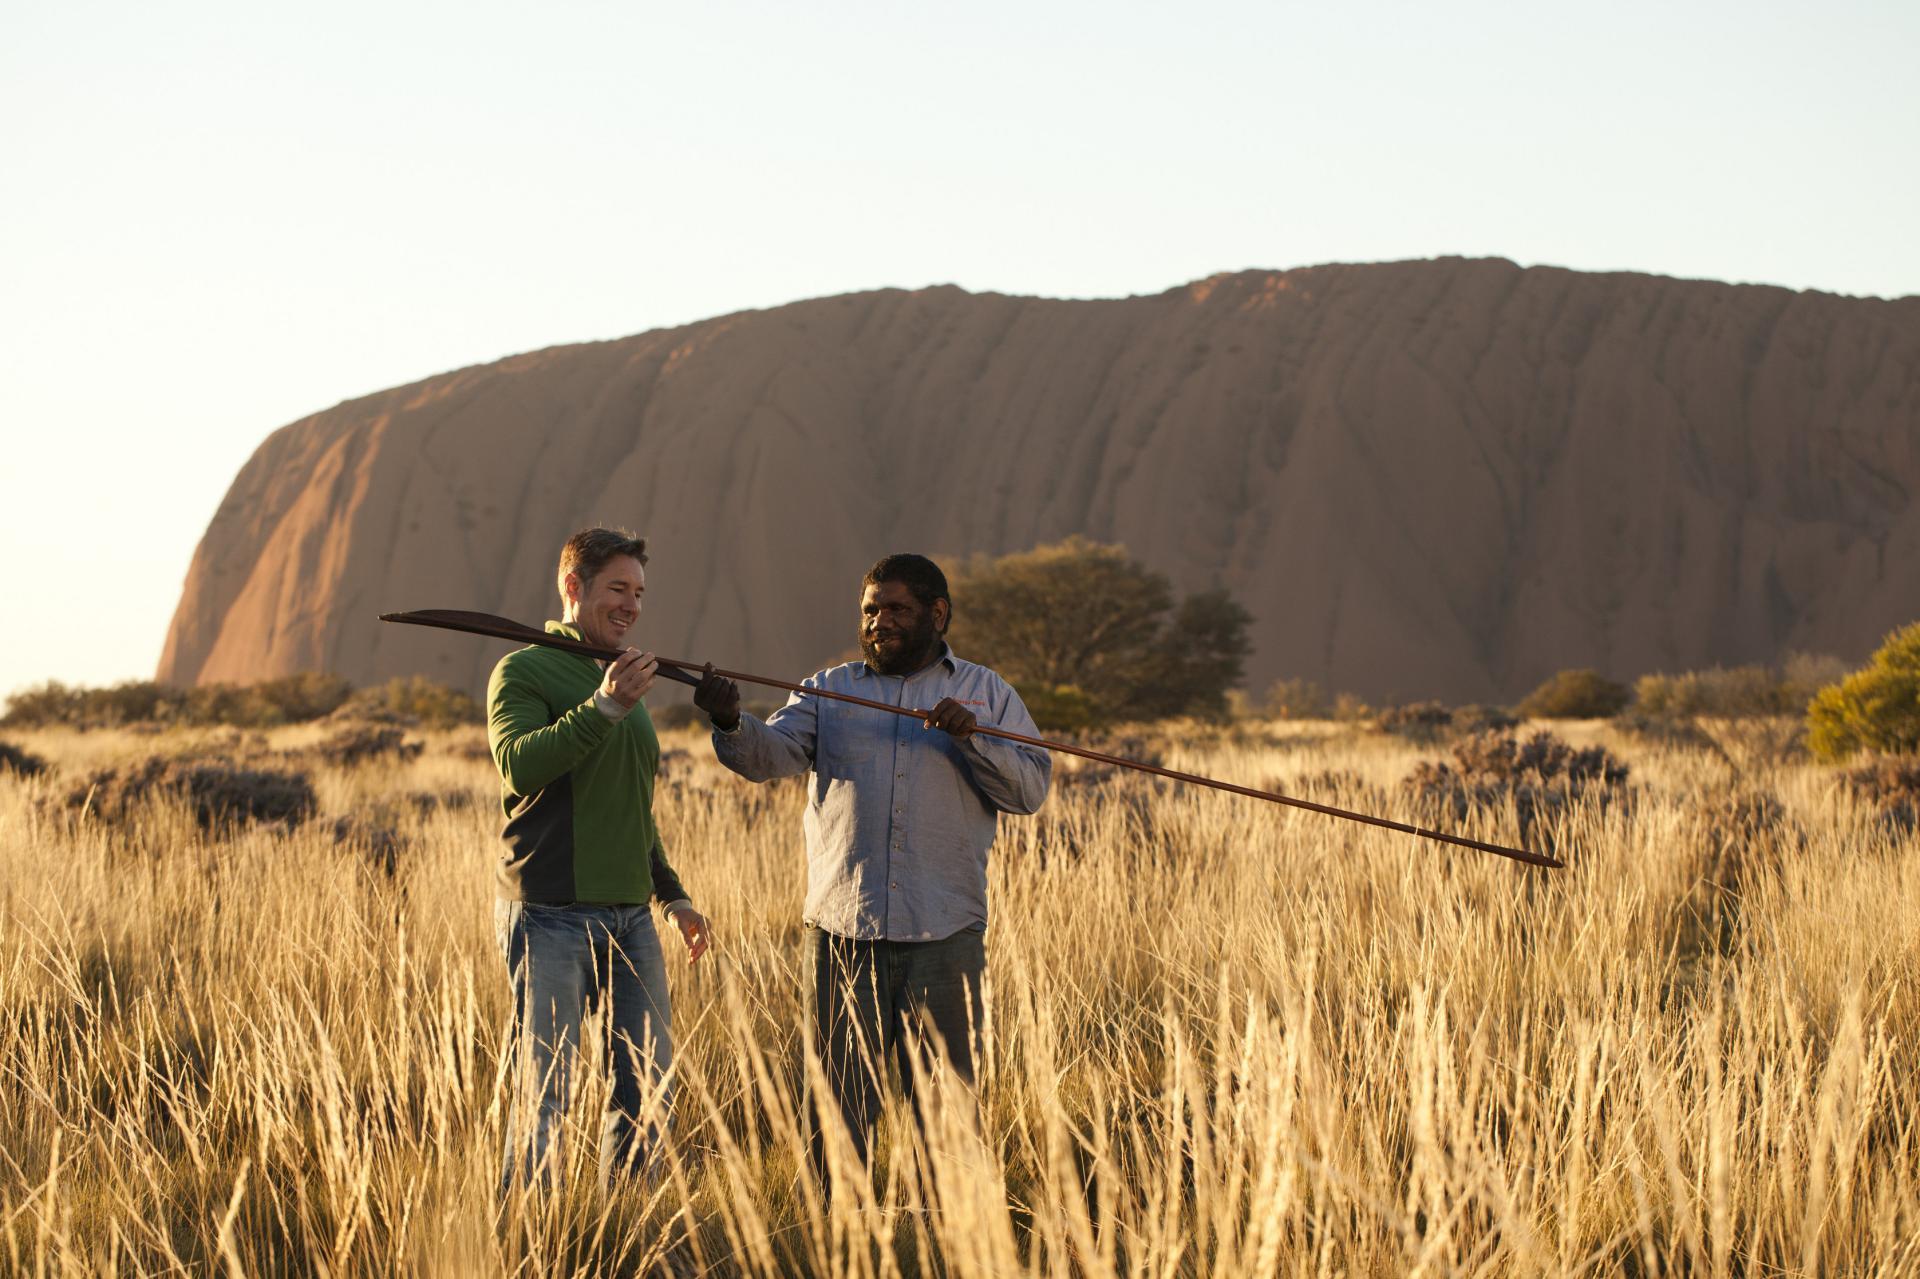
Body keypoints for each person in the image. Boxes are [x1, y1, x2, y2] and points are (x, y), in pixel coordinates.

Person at [692, 553, 1050, 1177]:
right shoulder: (828, 690)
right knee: (834, 1114)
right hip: (841, 938)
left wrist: (975, 739)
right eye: (870, 610)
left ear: (938, 615)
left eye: (896, 609)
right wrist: (729, 720)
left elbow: (1028, 793)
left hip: (945, 936)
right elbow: (767, 758)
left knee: (945, 1116)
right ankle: (836, 1241)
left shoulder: (989, 694)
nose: (879, 621)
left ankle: (945, 1244)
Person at [488, 526, 712, 1193]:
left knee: (645, 1086)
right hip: (550, 912)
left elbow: (632, 805)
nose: (631, 605)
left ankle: (624, 1231)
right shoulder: (523, 669)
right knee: (544, 1090)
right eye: (617, 588)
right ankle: (527, 1241)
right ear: (572, 587)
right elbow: (521, 764)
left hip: (632, 918)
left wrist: (670, 894)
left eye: (638, 593)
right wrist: (607, 705)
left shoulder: (621, 678)